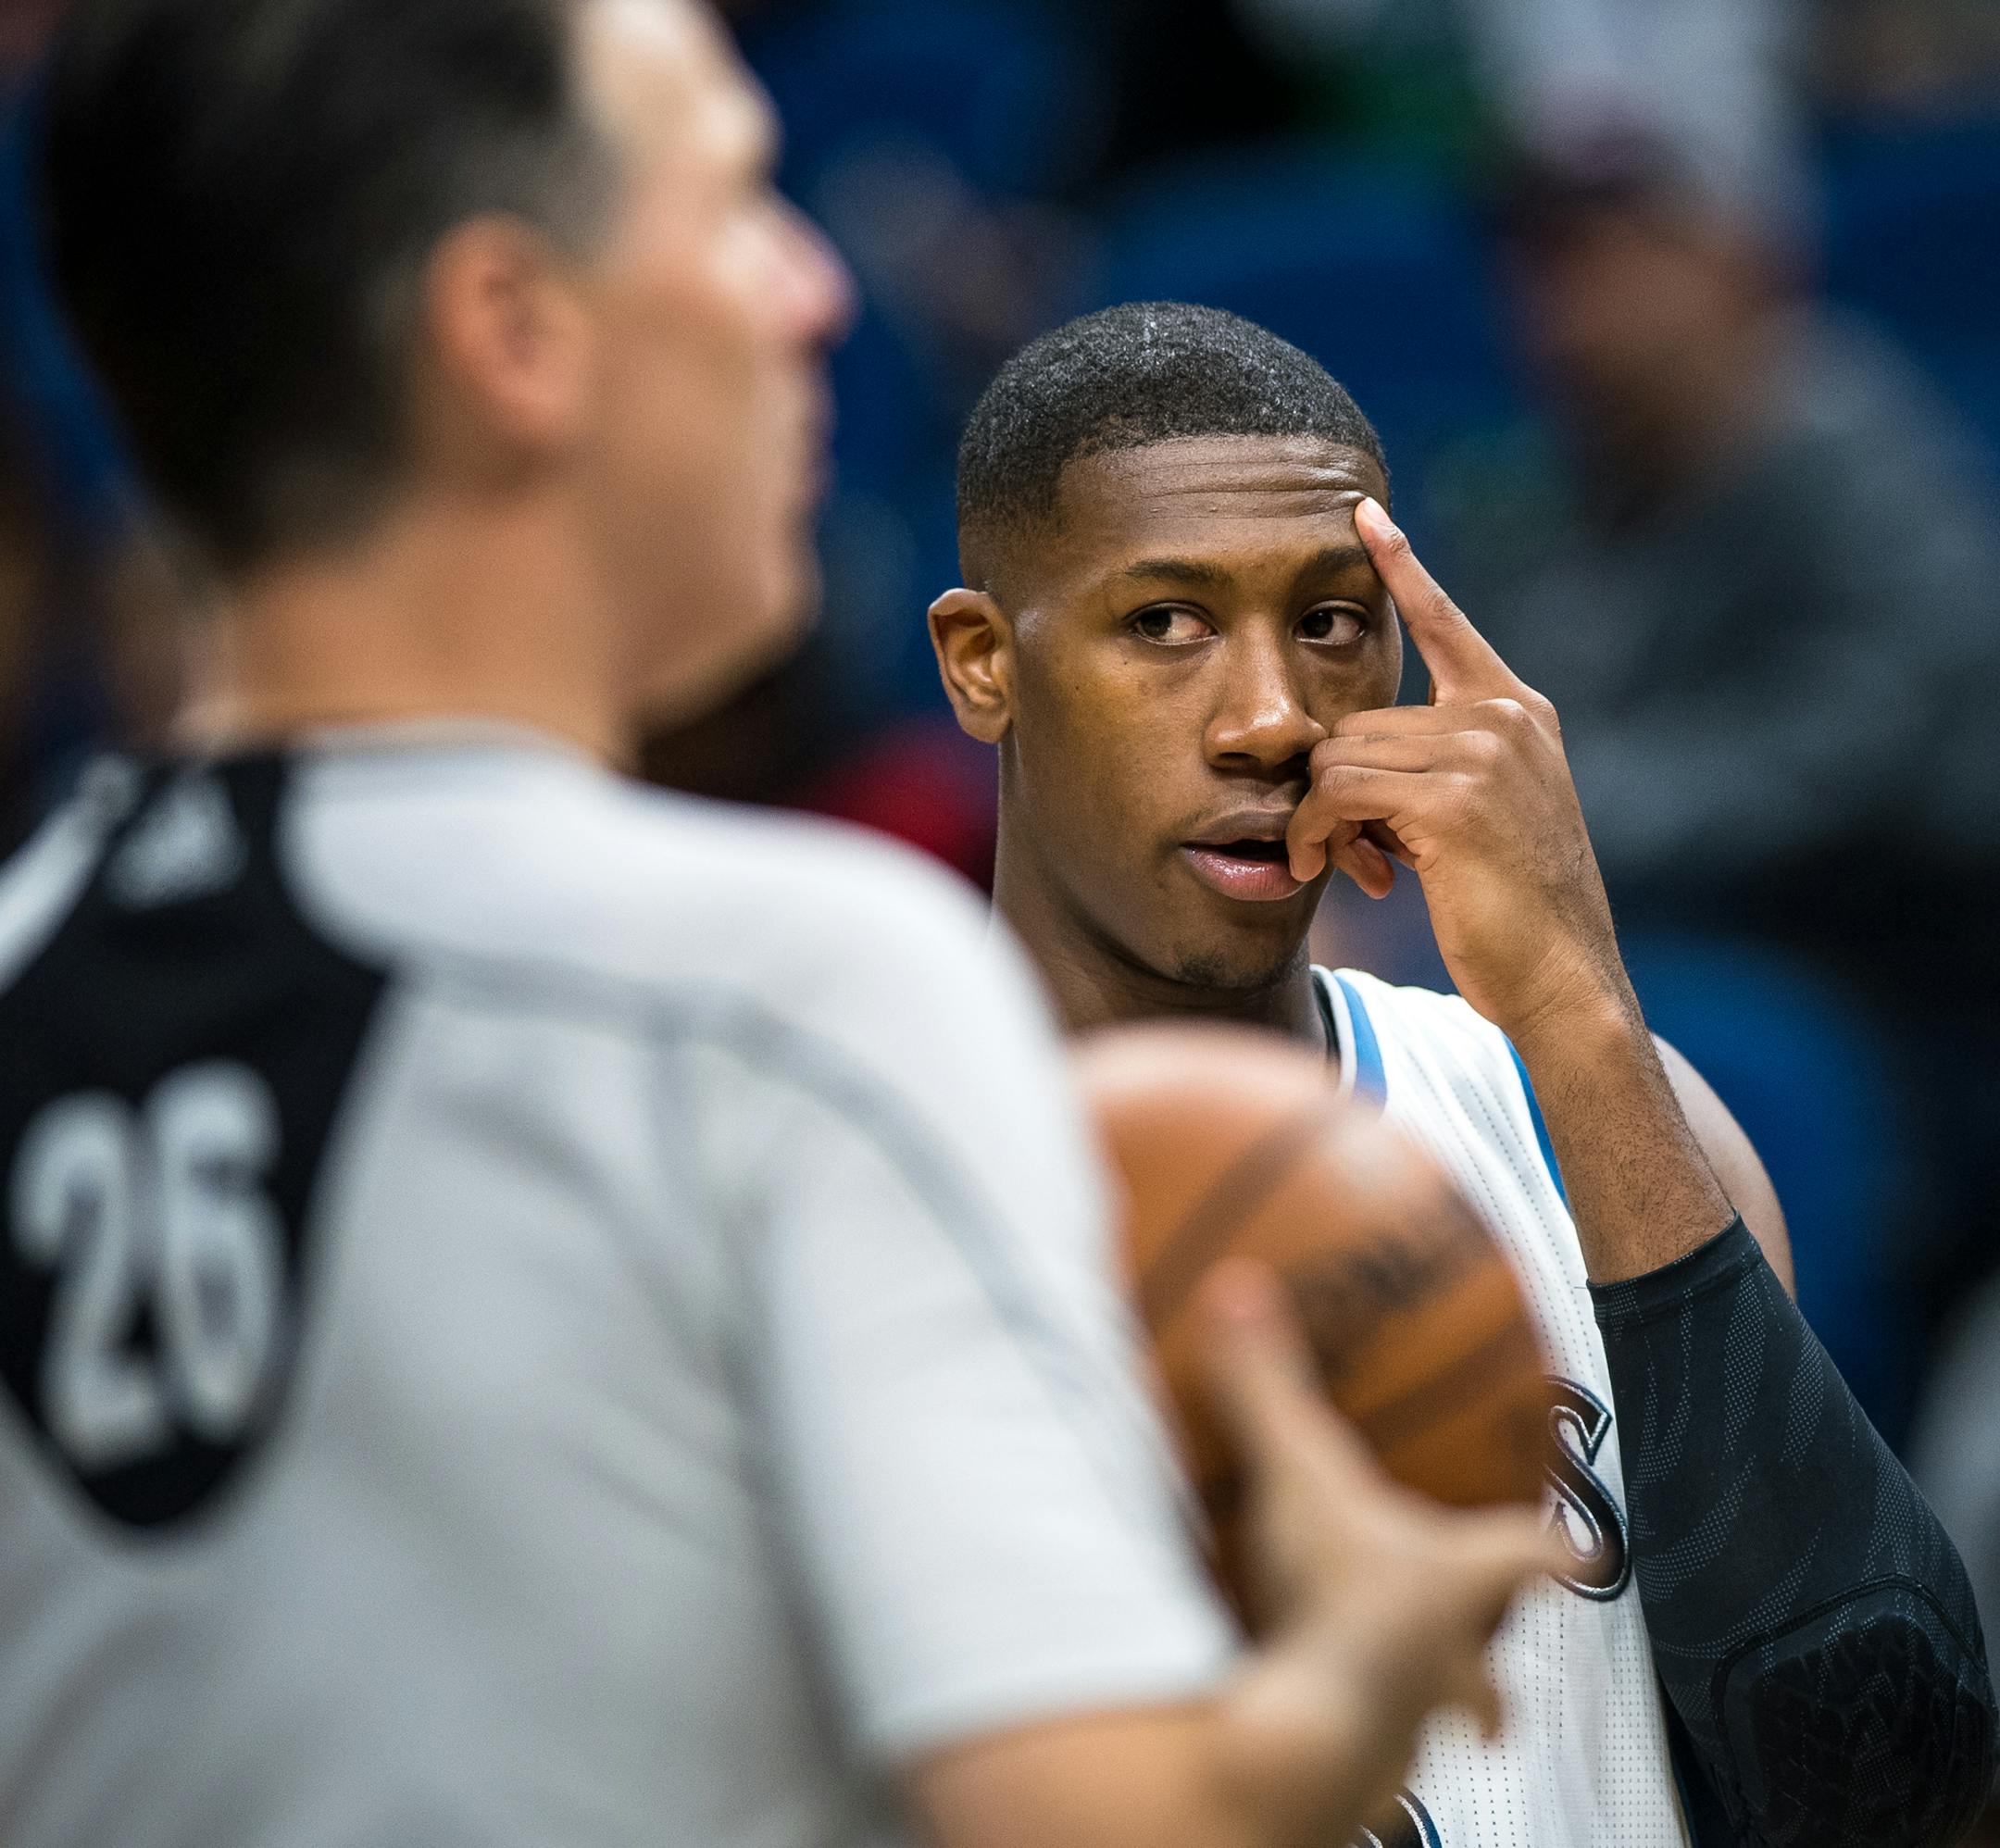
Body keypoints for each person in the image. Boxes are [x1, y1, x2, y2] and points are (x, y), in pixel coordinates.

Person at [0, 5, 1566, 1847]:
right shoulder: (786, 993)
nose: (816, 290)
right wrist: (1373, 1638)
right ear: (514, 332)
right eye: (741, 198)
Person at [929, 300, 1998, 1848]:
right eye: (1164, 622)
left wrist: (1575, 1008)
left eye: (1332, 622)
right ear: (983, 665)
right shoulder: (842, 1175)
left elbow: (1896, 1798)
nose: (1272, 719)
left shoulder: (1601, 1121)